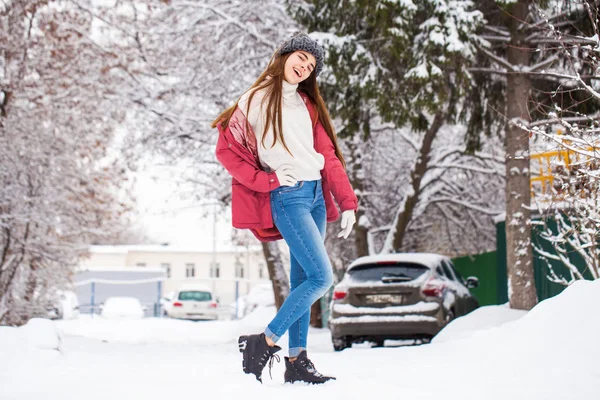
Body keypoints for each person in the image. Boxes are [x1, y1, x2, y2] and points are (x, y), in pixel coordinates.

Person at [212, 31, 358, 384]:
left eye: (310, 66)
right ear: (284, 55)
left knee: (304, 279)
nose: (304, 67)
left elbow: (328, 157)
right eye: (301, 59)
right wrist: (269, 181)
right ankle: (263, 341)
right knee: (322, 278)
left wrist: (348, 201)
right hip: (288, 196)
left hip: (316, 197)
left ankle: (297, 361)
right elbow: (227, 151)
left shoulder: (307, 105)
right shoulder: (256, 100)